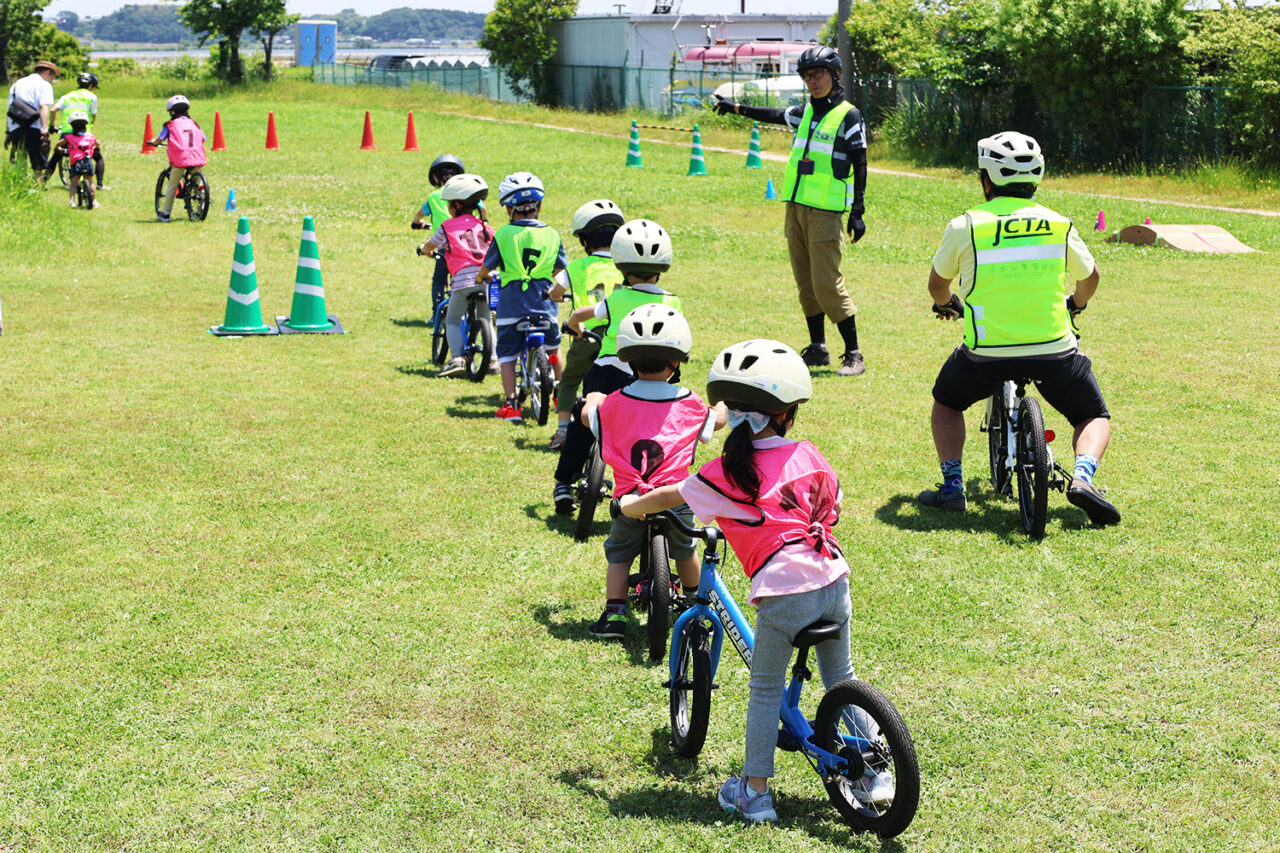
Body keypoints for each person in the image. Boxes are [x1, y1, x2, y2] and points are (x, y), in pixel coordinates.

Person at [620, 339, 893, 821]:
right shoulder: (808, 454)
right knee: (842, 678)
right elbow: (835, 504)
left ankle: (754, 792)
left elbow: (668, 497)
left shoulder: (727, 472)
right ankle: (876, 771)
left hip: (786, 591)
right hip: (833, 579)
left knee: (765, 687)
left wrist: (627, 505)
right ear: (786, 415)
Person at [919, 130, 1120, 526]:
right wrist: (1074, 305)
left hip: (986, 354)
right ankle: (1083, 477)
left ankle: (953, 487)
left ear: (986, 179)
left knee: (947, 402)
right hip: (1054, 350)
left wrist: (947, 305)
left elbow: (937, 285)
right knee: (1093, 415)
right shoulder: (1058, 224)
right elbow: (1091, 276)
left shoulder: (966, 226)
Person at [714, 46, 869, 377]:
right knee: (805, 283)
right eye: (808, 76)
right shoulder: (806, 113)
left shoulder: (848, 115)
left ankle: (854, 353)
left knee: (827, 283)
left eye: (819, 74)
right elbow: (773, 114)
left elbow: (860, 160)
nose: (813, 81)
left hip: (826, 212)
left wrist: (858, 209)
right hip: (795, 208)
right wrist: (737, 107)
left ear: (835, 75)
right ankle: (818, 348)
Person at [585, 305, 725, 638]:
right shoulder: (689, 403)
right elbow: (714, 423)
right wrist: (721, 408)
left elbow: (591, 419)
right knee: (686, 551)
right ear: (676, 360)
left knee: (619, 555)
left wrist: (592, 399)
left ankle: (615, 613)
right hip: (674, 495)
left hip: (629, 499)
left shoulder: (613, 403)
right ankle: (694, 603)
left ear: (628, 359)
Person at [553, 219, 681, 515]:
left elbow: (590, 312)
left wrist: (574, 323)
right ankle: (650, 484)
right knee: (650, 428)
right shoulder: (673, 301)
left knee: (583, 419)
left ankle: (564, 481)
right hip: (657, 374)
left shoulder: (618, 297)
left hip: (609, 370)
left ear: (621, 267)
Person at [475, 172, 566, 424]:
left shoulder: (503, 234)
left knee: (507, 354)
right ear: (539, 206)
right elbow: (560, 272)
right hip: (545, 304)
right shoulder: (553, 235)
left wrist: (482, 276)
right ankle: (562, 395)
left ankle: (511, 403)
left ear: (507, 208)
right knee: (554, 349)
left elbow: (488, 266)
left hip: (512, 305)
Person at [545, 199, 625, 450]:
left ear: (584, 241)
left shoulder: (577, 266)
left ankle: (563, 431)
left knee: (570, 380)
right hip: (618, 337)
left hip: (586, 333)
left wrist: (555, 295)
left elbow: (556, 292)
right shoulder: (625, 266)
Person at [416, 173, 496, 377]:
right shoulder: (485, 226)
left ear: (457, 206)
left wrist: (423, 250)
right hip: (487, 279)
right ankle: (493, 360)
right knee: (486, 317)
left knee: (452, 319)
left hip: (463, 280)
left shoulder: (447, 226)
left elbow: (430, 246)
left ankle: (457, 359)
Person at [412, 154, 466, 324]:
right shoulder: (464, 194)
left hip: (444, 244)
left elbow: (419, 216)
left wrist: (417, 224)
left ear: (436, 177)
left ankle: (437, 315)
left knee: (439, 279)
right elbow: (483, 209)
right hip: (465, 242)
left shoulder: (434, 197)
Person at [147, 95, 207, 223]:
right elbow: (204, 138)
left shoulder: (170, 125)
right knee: (197, 182)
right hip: (197, 156)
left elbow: (159, 139)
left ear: (172, 112)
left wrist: (153, 142)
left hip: (180, 159)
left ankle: (166, 214)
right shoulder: (194, 123)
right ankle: (201, 204)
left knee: (172, 185)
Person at [45, 72, 107, 191]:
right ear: (91, 86)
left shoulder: (67, 96)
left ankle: (42, 181)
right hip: (84, 133)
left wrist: (52, 126)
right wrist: (90, 126)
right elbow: (93, 116)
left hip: (67, 132)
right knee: (97, 156)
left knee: (56, 156)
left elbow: (53, 110)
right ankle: (100, 183)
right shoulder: (91, 97)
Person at [6, 61, 59, 175]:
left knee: (20, 160)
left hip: (16, 125)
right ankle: (36, 188)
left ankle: (20, 187)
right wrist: (44, 127)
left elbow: (11, 109)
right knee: (38, 163)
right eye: (52, 76)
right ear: (46, 72)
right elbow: (43, 106)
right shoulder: (44, 85)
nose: (52, 79)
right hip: (34, 126)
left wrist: (8, 132)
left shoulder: (16, 84)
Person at [55, 110, 98, 209]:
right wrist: (94, 148)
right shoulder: (90, 137)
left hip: (75, 162)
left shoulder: (69, 137)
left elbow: (58, 144)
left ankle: (72, 201)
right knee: (90, 181)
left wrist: (59, 149)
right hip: (88, 161)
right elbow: (97, 143)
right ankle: (94, 200)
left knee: (74, 183)